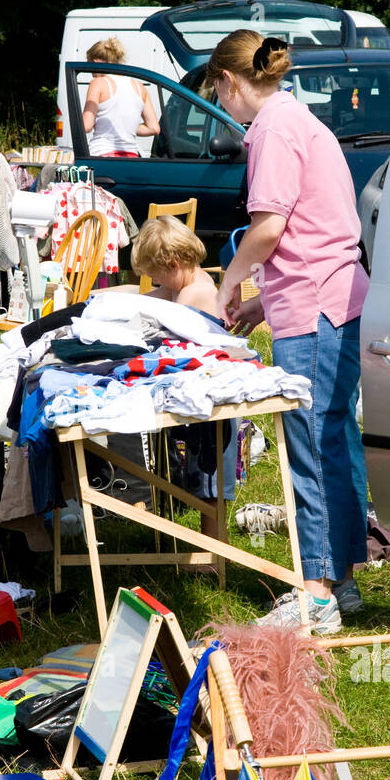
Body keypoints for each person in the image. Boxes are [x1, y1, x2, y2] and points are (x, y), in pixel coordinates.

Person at [204, 31, 369, 633]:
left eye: (217, 94)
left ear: (227, 81)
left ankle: (317, 590)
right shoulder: (298, 118)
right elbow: (315, 230)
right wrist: (263, 306)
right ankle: (343, 579)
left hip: (317, 308)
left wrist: (230, 285)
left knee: (312, 446)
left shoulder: (272, 129)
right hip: (329, 299)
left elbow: (271, 229)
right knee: (333, 437)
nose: (223, 106)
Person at [131, 213, 235, 547]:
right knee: (203, 476)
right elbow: (144, 298)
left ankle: (214, 551)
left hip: (213, 402)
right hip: (201, 389)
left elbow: (169, 324)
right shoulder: (186, 284)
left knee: (209, 482)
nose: (155, 282)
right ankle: (210, 547)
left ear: (173, 263)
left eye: (155, 274)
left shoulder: (195, 294)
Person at [82, 37, 160, 157]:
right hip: (131, 156)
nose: (91, 74)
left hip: (101, 154)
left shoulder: (98, 83)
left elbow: (86, 126)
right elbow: (153, 128)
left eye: (88, 65)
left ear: (95, 62)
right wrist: (126, 127)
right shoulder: (139, 87)